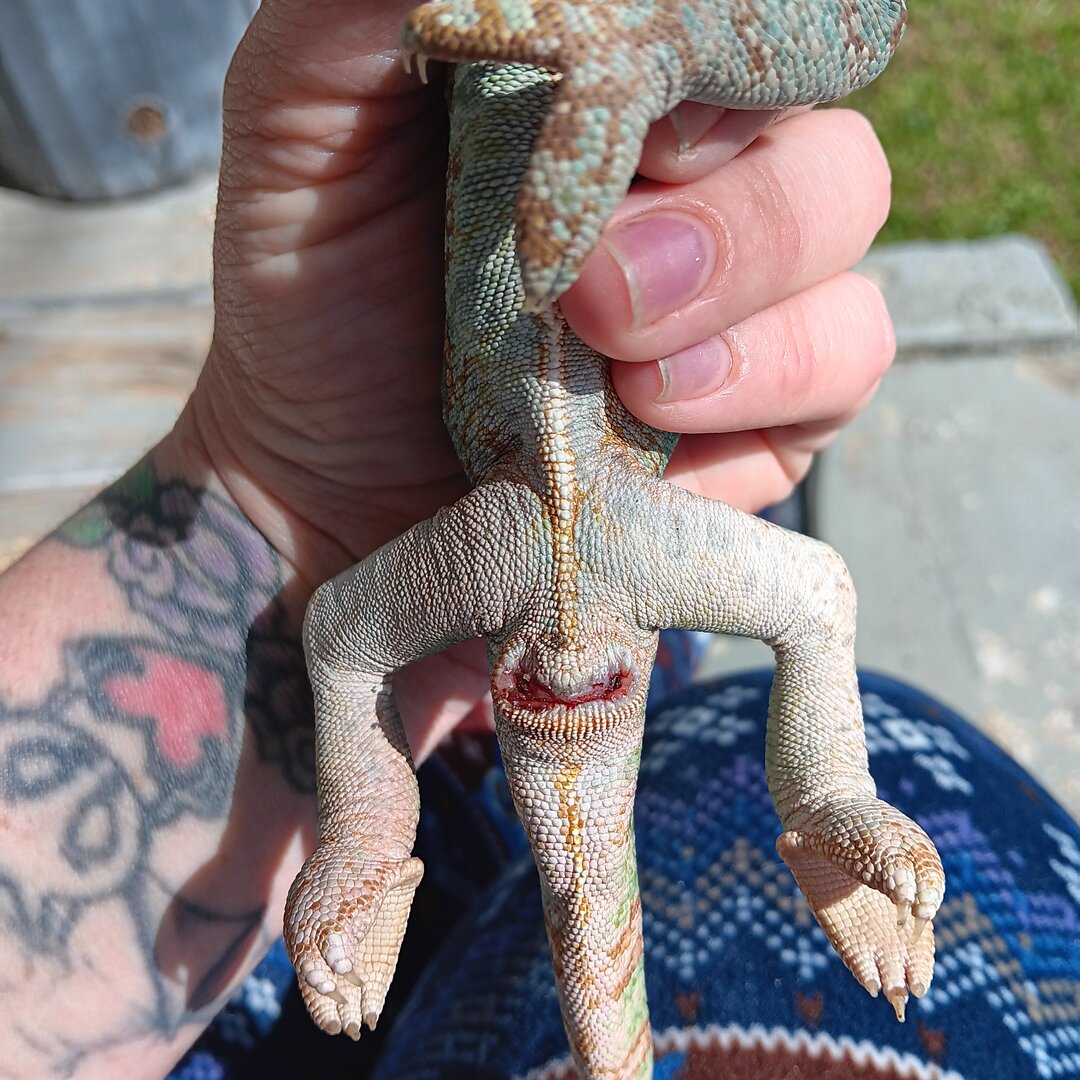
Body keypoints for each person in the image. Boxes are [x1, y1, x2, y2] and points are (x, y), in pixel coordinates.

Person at [1, 1, 1077, 1078]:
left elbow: (864, 24)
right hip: (581, 526)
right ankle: (782, 792)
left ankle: (817, 795)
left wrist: (686, 46)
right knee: (821, 647)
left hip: (532, 528)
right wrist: (366, 827)